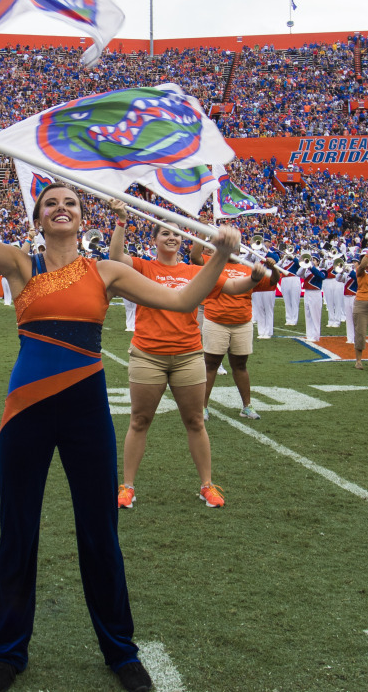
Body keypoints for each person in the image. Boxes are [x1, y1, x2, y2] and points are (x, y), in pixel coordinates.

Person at [0, 127, 239, 692]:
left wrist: (220, 255)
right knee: (19, 530)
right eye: (50, 203)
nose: (61, 208)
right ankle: (7, 652)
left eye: (71, 203)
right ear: (37, 219)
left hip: (84, 410)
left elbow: (181, 300)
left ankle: (120, 651)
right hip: (25, 410)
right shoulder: (19, 265)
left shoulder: (107, 272)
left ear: (84, 218)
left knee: (99, 530)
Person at [109, 203, 262, 511]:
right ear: (154, 240)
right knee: (139, 420)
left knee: (194, 421)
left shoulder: (194, 271)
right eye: (165, 233)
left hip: (189, 354)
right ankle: (127, 486)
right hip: (147, 354)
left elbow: (233, 286)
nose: (172, 238)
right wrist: (122, 222)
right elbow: (115, 259)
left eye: (176, 234)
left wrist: (255, 278)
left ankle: (206, 485)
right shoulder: (143, 267)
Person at [190, 235, 275, 423]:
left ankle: (247, 406)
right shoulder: (213, 263)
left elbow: (272, 282)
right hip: (216, 320)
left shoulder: (248, 268)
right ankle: (202, 407)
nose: (232, 250)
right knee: (210, 365)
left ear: (239, 250)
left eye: (234, 247)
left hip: (242, 322)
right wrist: (201, 234)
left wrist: (273, 267)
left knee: (240, 365)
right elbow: (195, 256)